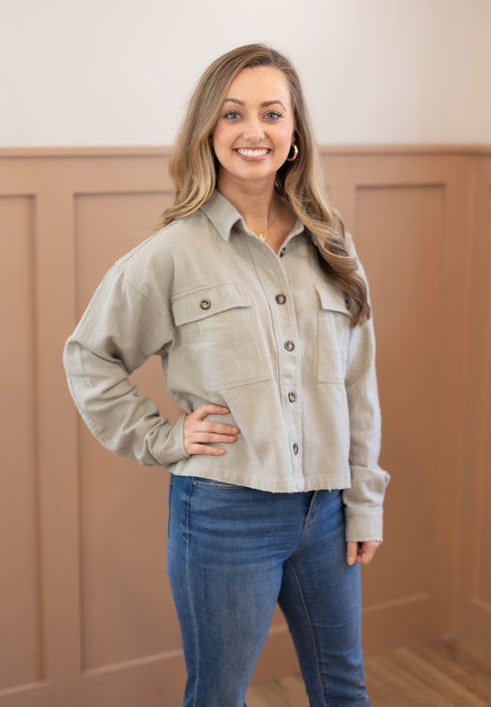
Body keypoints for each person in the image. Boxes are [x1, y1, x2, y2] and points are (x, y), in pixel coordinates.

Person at [63, 43, 390, 706]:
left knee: (345, 690)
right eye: (233, 113)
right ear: (208, 132)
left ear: (293, 132)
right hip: (222, 515)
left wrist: (364, 501)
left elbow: (359, 381)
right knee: (217, 695)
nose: (253, 131)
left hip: (326, 512)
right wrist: (164, 436)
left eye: (272, 113)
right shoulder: (170, 253)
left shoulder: (332, 242)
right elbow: (88, 356)